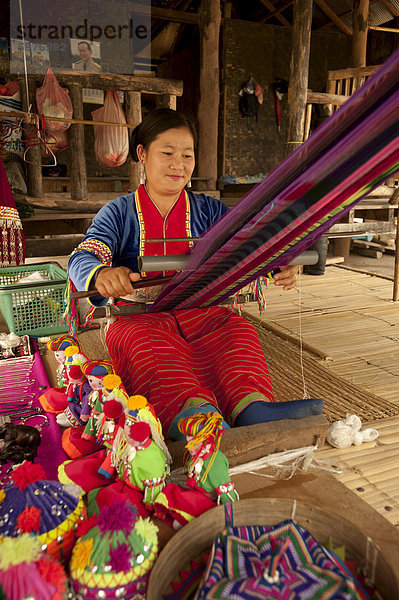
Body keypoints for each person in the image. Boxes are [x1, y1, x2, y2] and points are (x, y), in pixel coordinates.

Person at [68, 108, 323, 434]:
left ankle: (251, 406)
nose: (179, 164)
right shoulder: (117, 213)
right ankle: (192, 413)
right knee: (147, 345)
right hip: (141, 317)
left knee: (237, 331)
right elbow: (86, 253)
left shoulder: (210, 210)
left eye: (187, 155)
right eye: (168, 153)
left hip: (202, 310)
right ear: (142, 154)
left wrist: (277, 266)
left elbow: (248, 246)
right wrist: (101, 274)